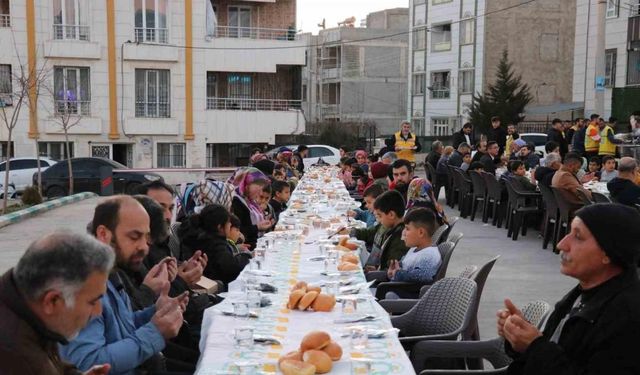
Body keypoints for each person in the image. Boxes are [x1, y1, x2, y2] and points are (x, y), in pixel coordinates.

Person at [497, 203, 640, 375]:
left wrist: (534, 346)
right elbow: (558, 351)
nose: (561, 244)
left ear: (608, 253)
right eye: (569, 233)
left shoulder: (627, 318)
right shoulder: (585, 292)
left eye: (578, 237)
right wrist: (519, 339)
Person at [61, 196, 188, 375]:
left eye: (146, 237)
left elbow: (121, 327)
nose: (144, 247)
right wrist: (154, 332)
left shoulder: (110, 273)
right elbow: (89, 364)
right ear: (104, 234)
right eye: (134, 237)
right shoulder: (82, 285)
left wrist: (154, 312)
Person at [0, 232, 114, 375]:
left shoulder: (25, 303)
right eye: (92, 302)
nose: (98, 311)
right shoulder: (18, 358)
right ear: (52, 301)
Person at [178, 204, 252, 287]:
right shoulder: (213, 243)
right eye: (228, 222)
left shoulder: (199, 237)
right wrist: (247, 257)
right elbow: (231, 267)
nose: (230, 225)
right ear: (220, 227)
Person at [386, 208, 442, 299]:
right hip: (396, 289)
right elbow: (404, 265)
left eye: (407, 229)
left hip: (408, 298)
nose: (404, 233)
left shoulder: (430, 254)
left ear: (420, 232)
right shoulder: (414, 248)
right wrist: (393, 269)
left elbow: (422, 276)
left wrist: (397, 273)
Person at [228, 167, 274, 249]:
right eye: (257, 189)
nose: (259, 193)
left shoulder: (248, 200)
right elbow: (239, 230)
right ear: (246, 184)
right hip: (246, 247)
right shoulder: (235, 201)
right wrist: (257, 227)